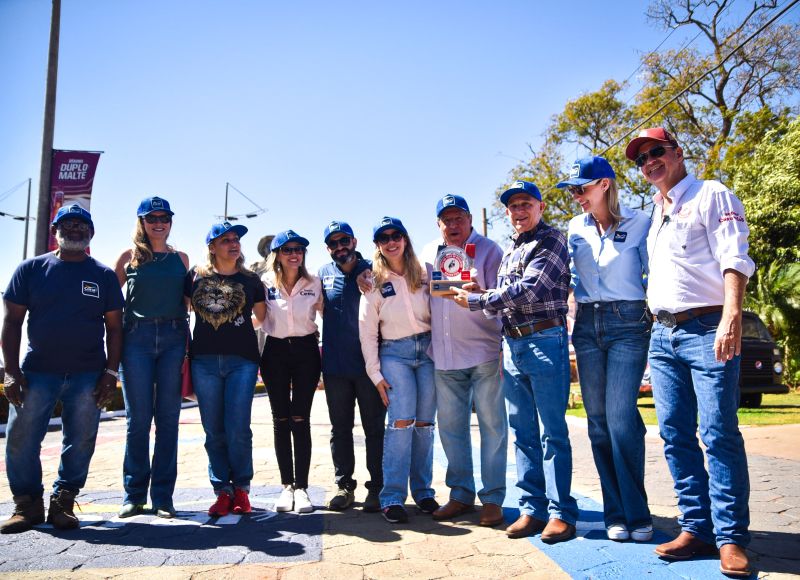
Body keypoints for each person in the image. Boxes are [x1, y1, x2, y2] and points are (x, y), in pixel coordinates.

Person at [626, 127, 755, 576]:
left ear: (678, 152)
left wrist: (731, 315)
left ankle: (732, 538)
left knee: (718, 433)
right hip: (662, 336)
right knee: (675, 435)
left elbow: (734, 256)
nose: (650, 163)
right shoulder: (655, 214)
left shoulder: (712, 195)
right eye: (641, 160)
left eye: (656, 152)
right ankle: (696, 528)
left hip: (707, 327)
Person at [453, 181, 578, 543]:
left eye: (525, 204)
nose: (519, 211)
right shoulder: (511, 248)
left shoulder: (552, 240)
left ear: (540, 206)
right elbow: (506, 299)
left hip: (544, 339)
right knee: (523, 433)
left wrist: (478, 301)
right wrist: (483, 295)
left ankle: (561, 514)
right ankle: (531, 509)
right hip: (513, 343)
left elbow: (530, 289)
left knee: (552, 433)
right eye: (512, 207)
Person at [1, 204, 124, 533]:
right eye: (67, 224)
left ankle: (63, 503)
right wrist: (11, 371)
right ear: (55, 230)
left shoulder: (103, 275)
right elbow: (12, 322)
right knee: (21, 438)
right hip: (38, 371)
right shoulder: (31, 269)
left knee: (81, 440)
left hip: (88, 374)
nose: (74, 229)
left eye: (81, 225)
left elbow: (115, 328)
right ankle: (27, 505)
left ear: (91, 234)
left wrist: (111, 373)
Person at [557, 157, 653, 542]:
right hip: (586, 325)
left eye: (582, 188)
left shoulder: (640, 223)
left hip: (629, 323)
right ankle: (616, 512)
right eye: (573, 190)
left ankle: (637, 512)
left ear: (605, 185)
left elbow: (655, 275)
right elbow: (561, 276)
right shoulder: (574, 228)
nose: (577, 196)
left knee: (619, 416)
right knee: (597, 422)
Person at [419, 195, 507, 527]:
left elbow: (502, 298)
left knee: (493, 428)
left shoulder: (490, 250)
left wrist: (479, 290)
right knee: (452, 430)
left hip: (484, 352)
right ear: (438, 224)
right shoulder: (428, 254)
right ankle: (460, 495)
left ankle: (493, 499)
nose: (453, 225)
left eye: (459, 218)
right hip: (443, 356)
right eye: (446, 220)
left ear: (470, 219)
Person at [113, 197, 190, 519]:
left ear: (170, 221)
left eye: (164, 217)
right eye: (152, 217)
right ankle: (133, 496)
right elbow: (108, 302)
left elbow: (190, 303)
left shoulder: (181, 259)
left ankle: (163, 497)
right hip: (136, 340)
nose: (159, 222)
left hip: (174, 338)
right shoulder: (128, 258)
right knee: (138, 422)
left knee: (168, 421)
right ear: (141, 222)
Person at [358, 217, 438, 524]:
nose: (391, 241)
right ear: (377, 245)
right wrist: (375, 375)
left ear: (405, 239)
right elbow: (367, 333)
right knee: (402, 422)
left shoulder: (426, 272)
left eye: (397, 235)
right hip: (395, 354)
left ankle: (424, 492)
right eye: (384, 238)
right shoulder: (372, 282)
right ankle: (391, 497)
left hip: (429, 351)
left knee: (425, 424)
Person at [186, 221, 266, 517]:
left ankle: (242, 489)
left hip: (242, 361)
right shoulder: (195, 278)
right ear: (212, 248)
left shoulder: (250, 280)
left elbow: (261, 317)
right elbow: (182, 311)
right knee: (213, 430)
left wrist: (237, 326)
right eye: (225, 240)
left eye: (236, 239)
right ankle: (222, 491)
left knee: (238, 428)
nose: (233, 244)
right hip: (204, 361)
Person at [318, 221, 385, 513]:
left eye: (344, 240)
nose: (340, 247)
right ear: (328, 249)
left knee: (374, 429)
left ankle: (378, 488)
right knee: (340, 429)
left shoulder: (375, 269)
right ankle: (344, 486)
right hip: (335, 367)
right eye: (333, 243)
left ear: (354, 241)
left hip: (369, 366)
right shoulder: (322, 274)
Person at [260, 230, 322, 514]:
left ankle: (303, 488)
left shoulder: (315, 283)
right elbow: (256, 318)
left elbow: (328, 318)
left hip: (307, 351)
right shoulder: (263, 284)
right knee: (280, 419)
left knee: (301, 418)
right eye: (287, 250)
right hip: (274, 352)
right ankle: (286, 486)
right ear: (277, 255)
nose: (294, 254)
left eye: (299, 249)